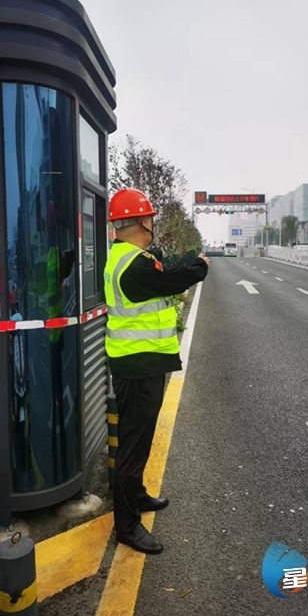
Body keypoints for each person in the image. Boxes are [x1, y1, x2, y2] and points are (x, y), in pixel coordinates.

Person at [105, 188, 210, 555]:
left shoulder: (124, 256)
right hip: (138, 365)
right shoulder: (134, 265)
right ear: (142, 222)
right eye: (150, 218)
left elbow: (160, 270)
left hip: (138, 362)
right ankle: (127, 526)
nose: (153, 223)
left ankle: (136, 495)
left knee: (137, 439)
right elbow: (172, 280)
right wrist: (200, 267)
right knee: (133, 447)